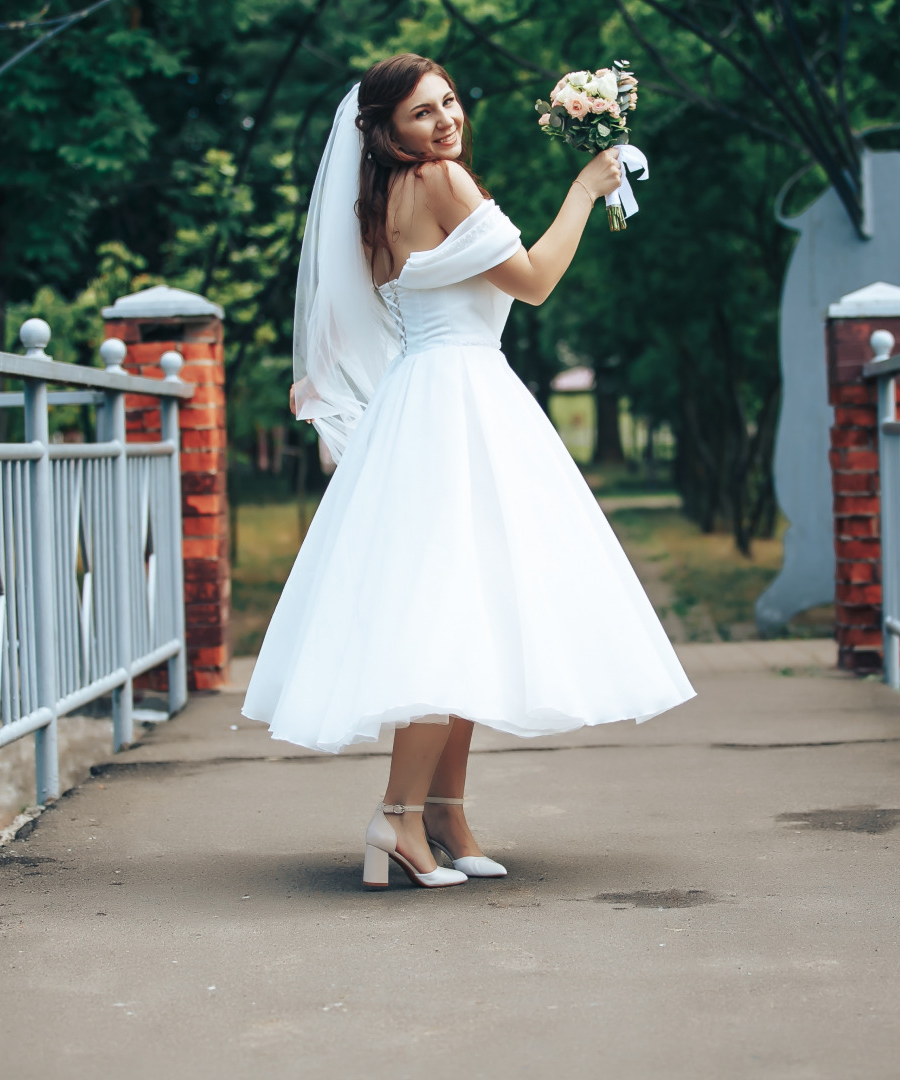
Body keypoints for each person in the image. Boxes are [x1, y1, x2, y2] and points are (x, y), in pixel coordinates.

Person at [241, 53, 693, 890]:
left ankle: (444, 814)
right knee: (447, 609)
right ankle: (399, 817)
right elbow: (535, 283)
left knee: (463, 603)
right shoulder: (443, 182)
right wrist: (586, 191)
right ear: (387, 130)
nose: (445, 121)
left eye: (449, 103)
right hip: (458, 401)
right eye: (422, 112)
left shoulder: (377, 200)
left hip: (429, 398)